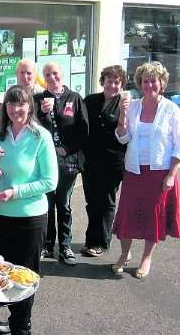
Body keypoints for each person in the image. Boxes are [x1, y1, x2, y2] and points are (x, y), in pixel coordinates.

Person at [0, 85, 57, 335]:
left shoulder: (40, 136)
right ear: (5, 107)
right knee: (8, 271)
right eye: (11, 104)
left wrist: (15, 192)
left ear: (30, 106)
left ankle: (22, 325)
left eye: (21, 104)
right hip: (1, 215)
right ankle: (14, 319)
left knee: (26, 275)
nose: (16, 109)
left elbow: (50, 181)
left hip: (30, 216)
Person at [112, 61, 180, 279]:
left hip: (159, 172)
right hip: (134, 170)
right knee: (127, 214)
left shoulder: (170, 109)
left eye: (153, 80)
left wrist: (171, 175)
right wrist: (123, 117)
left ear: (161, 83)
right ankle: (124, 254)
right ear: (140, 84)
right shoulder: (133, 105)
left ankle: (146, 258)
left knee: (153, 218)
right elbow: (123, 138)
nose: (149, 85)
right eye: (145, 81)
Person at [34, 62, 89, 265]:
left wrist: (68, 148)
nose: (52, 78)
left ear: (62, 74)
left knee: (63, 204)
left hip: (68, 161)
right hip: (45, 161)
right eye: (47, 75)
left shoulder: (74, 98)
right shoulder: (38, 99)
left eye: (55, 73)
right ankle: (48, 245)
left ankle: (65, 246)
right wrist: (42, 113)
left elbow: (84, 129)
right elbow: (33, 128)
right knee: (47, 204)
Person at [80, 65, 127, 257]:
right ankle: (91, 239)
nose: (113, 85)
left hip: (113, 162)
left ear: (122, 84)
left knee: (106, 201)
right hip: (90, 161)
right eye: (110, 81)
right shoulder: (91, 100)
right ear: (103, 81)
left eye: (117, 82)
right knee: (92, 202)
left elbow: (127, 132)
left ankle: (102, 242)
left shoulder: (124, 104)